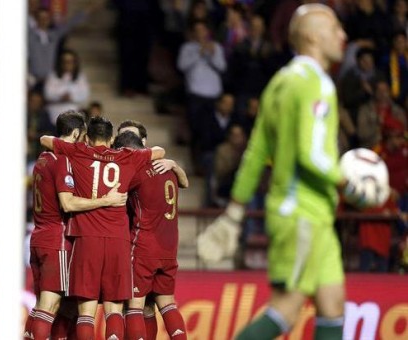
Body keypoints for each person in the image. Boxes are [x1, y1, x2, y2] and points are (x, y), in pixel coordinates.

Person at [196, 4, 382, 339]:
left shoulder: (279, 82)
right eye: (335, 28)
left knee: (332, 303)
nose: (343, 35)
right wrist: (347, 179)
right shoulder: (317, 84)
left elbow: (255, 153)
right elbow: (309, 154)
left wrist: (235, 211)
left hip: (309, 217)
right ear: (312, 36)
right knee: (287, 305)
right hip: (302, 215)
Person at [40, 116, 165, 339]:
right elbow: (159, 152)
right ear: (113, 138)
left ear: (87, 137)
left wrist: (77, 146)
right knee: (114, 309)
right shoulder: (128, 156)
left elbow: (45, 140)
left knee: (86, 311)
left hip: (86, 238)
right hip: (118, 240)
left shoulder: (78, 152)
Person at [24, 112, 128, 340]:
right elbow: (67, 203)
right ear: (75, 133)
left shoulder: (42, 159)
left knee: (60, 307)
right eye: (81, 136)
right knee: (50, 305)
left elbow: (45, 140)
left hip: (39, 237)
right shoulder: (62, 161)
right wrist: (106, 200)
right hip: (57, 239)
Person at [112, 131, 189, 340]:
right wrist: (173, 164)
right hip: (169, 247)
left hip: (144, 245)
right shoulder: (168, 170)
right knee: (167, 304)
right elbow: (185, 183)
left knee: (134, 306)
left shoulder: (136, 172)